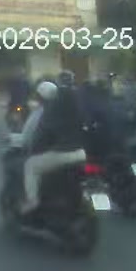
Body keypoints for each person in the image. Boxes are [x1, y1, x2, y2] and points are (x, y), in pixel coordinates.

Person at [18, 79, 87, 214]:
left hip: (63, 153)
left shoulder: (50, 114)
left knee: (30, 165)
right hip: (80, 153)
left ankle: (32, 201)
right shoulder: (77, 112)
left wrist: (34, 149)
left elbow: (40, 137)